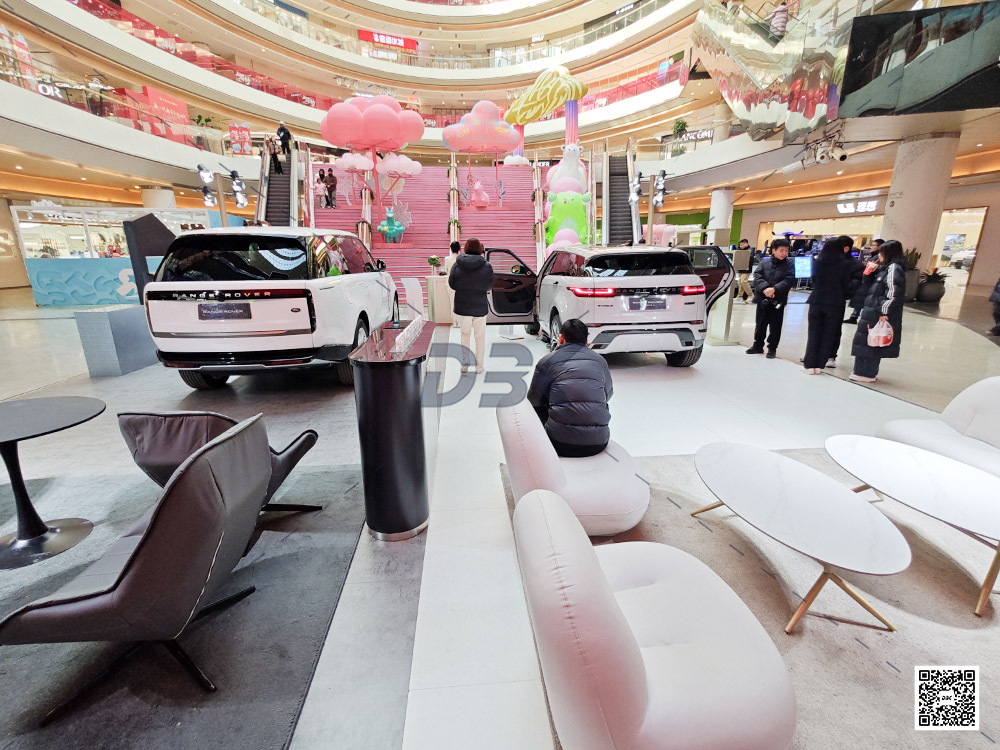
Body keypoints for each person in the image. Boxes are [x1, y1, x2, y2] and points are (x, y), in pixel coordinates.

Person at [527, 319, 613, 458]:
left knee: (540, 405)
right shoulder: (600, 361)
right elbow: (608, 394)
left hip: (559, 443)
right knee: (598, 401)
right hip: (598, 443)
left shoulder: (547, 361)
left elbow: (533, 401)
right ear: (586, 341)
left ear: (561, 338)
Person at [850, 240, 905, 383]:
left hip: (878, 313)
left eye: (882, 252)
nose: (879, 255)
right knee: (866, 341)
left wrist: (884, 312)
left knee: (872, 343)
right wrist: (868, 274)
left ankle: (867, 373)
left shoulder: (894, 268)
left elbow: (893, 293)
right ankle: (861, 371)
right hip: (871, 311)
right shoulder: (884, 268)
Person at [803, 239, 858, 373]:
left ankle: (810, 364)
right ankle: (820, 365)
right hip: (835, 303)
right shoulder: (845, 264)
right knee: (828, 334)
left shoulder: (818, 262)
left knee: (814, 333)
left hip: (817, 300)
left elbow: (814, 280)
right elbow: (846, 285)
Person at [448, 237, 493, 374]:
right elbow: (489, 285)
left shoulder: (458, 264)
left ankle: (465, 362)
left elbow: (452, 283)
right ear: (479, 248)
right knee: (479, 337)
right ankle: (479, 366)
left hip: (463, 305)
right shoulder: (486, 266)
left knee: (465, 334)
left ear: (466, 248)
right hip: (479, 306)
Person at [747, 237, 794, 358]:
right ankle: (757, 345)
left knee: (775, 325)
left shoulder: (790, 264)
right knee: (760, 324)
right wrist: (765, 288)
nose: (784, 253)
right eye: (781, 250)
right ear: (774, 250)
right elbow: (757, 276)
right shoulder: (764, 262)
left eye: (786, 250)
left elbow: (789, 279)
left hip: (778, 300)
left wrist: (774, 289)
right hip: (763, 299)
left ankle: (772, 348)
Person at [824, 235, 863, 366]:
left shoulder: (854, 265)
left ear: (846, 248)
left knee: (834, 328)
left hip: (838, 300)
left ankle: (831, 356)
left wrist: (842, 290)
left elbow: (856, 283)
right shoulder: (828, 260)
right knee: (817, 327)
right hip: (822, 299)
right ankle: (813, 352)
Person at [846, 238, 882, 323]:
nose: (871, 247)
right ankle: (854, 316)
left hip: (870, 282)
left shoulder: (878, 258)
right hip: (867, 281)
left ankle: (856, 316)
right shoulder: (872, 256)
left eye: (874, 245)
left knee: (864, 299)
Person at [444, 240, 461, 329]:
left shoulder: (447, 259)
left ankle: (455, 323)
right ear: (459, 249)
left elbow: (446, 270)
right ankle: (460, 322)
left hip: (450, 283)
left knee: (452, 303)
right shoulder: (461, 258)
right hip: (460, 283)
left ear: (451, 249)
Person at [734, 238, 754, 303]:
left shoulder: (750, 250)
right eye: (740, 245)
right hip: (741, 268)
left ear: (746, 243)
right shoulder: (740, 250)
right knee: (740, 283)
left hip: (746, 269)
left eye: (742, 245)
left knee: (744, 281)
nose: (741, 246)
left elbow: (750, 259)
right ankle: (739, 296)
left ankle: (751, 295)